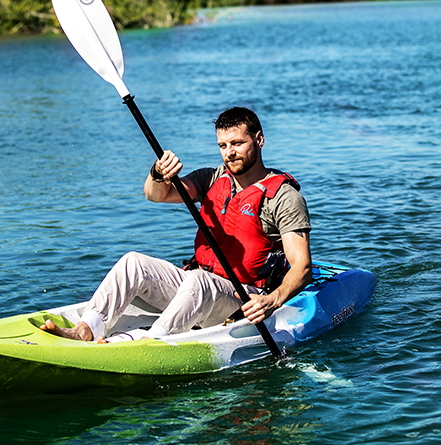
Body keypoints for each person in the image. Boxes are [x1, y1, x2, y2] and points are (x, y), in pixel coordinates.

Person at [41, 106, 312, 342]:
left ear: (259, 139)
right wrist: (158, 173)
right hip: (197, 286)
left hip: (243, 298)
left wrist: (271, 300)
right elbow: (156, 194)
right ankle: (85, 329)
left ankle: (152, 340)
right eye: (223, 146)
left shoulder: (283, 197)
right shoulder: (212, 178)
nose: (229, 153)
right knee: (132, 262)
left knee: (199, 281)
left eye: (237, 143)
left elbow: (302, 267)